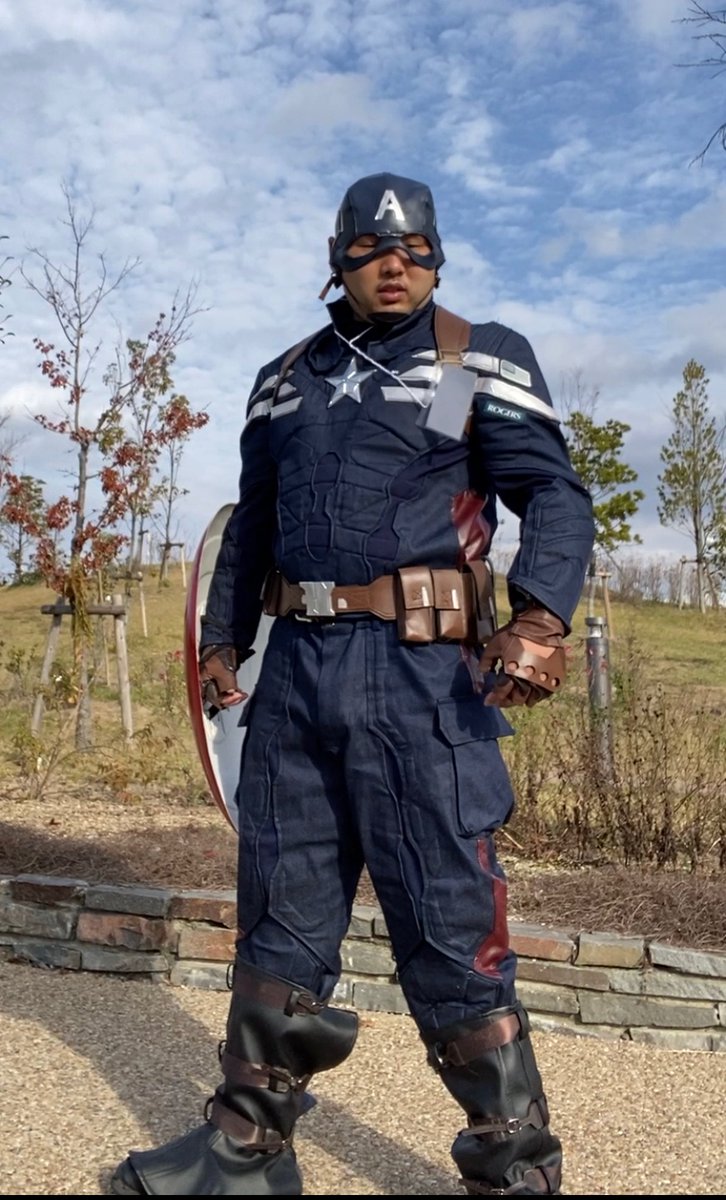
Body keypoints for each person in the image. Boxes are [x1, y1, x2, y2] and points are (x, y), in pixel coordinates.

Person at [112, 172, 595, 1197]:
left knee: (448, 914)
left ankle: (513, 1168)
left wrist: (541, 619)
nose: (396, 265)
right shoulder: (284, 379)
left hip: (422, 680)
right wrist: (221, 642)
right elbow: (252, 523)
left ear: (437, 260)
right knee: (280, 905)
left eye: (416, 250)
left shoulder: (473, 360)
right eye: (375, 250)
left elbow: (551, 492)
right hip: (294, 673)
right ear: (339, 261)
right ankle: (246, 1150)